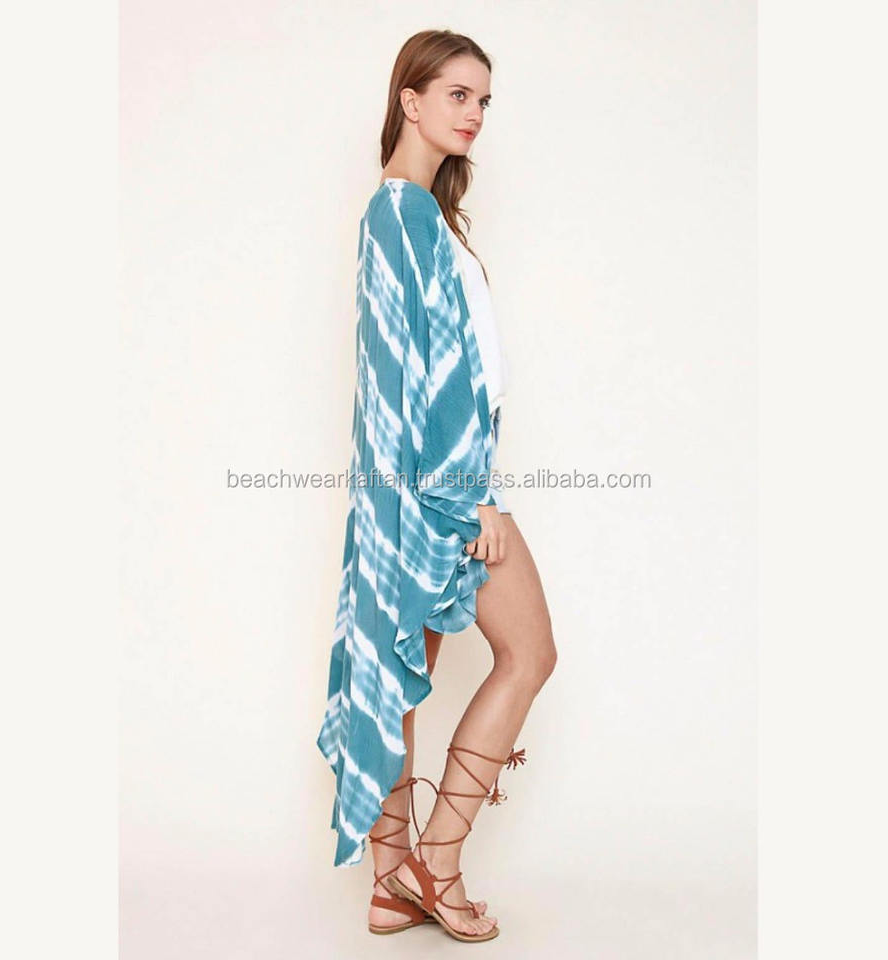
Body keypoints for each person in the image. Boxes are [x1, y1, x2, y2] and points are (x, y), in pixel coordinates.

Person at [315, 29, 556, 943]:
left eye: (484, 100)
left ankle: (391, 885)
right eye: (458, 94)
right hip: (441, 491)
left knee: (398, 680)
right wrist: (472, 499)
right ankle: (437, 863)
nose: (475, 113)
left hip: (410, 490)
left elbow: (414, 372)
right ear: (409, 100)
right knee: (529, 654)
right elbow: (426, 378)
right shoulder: (403, 213)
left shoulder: (412, 214)